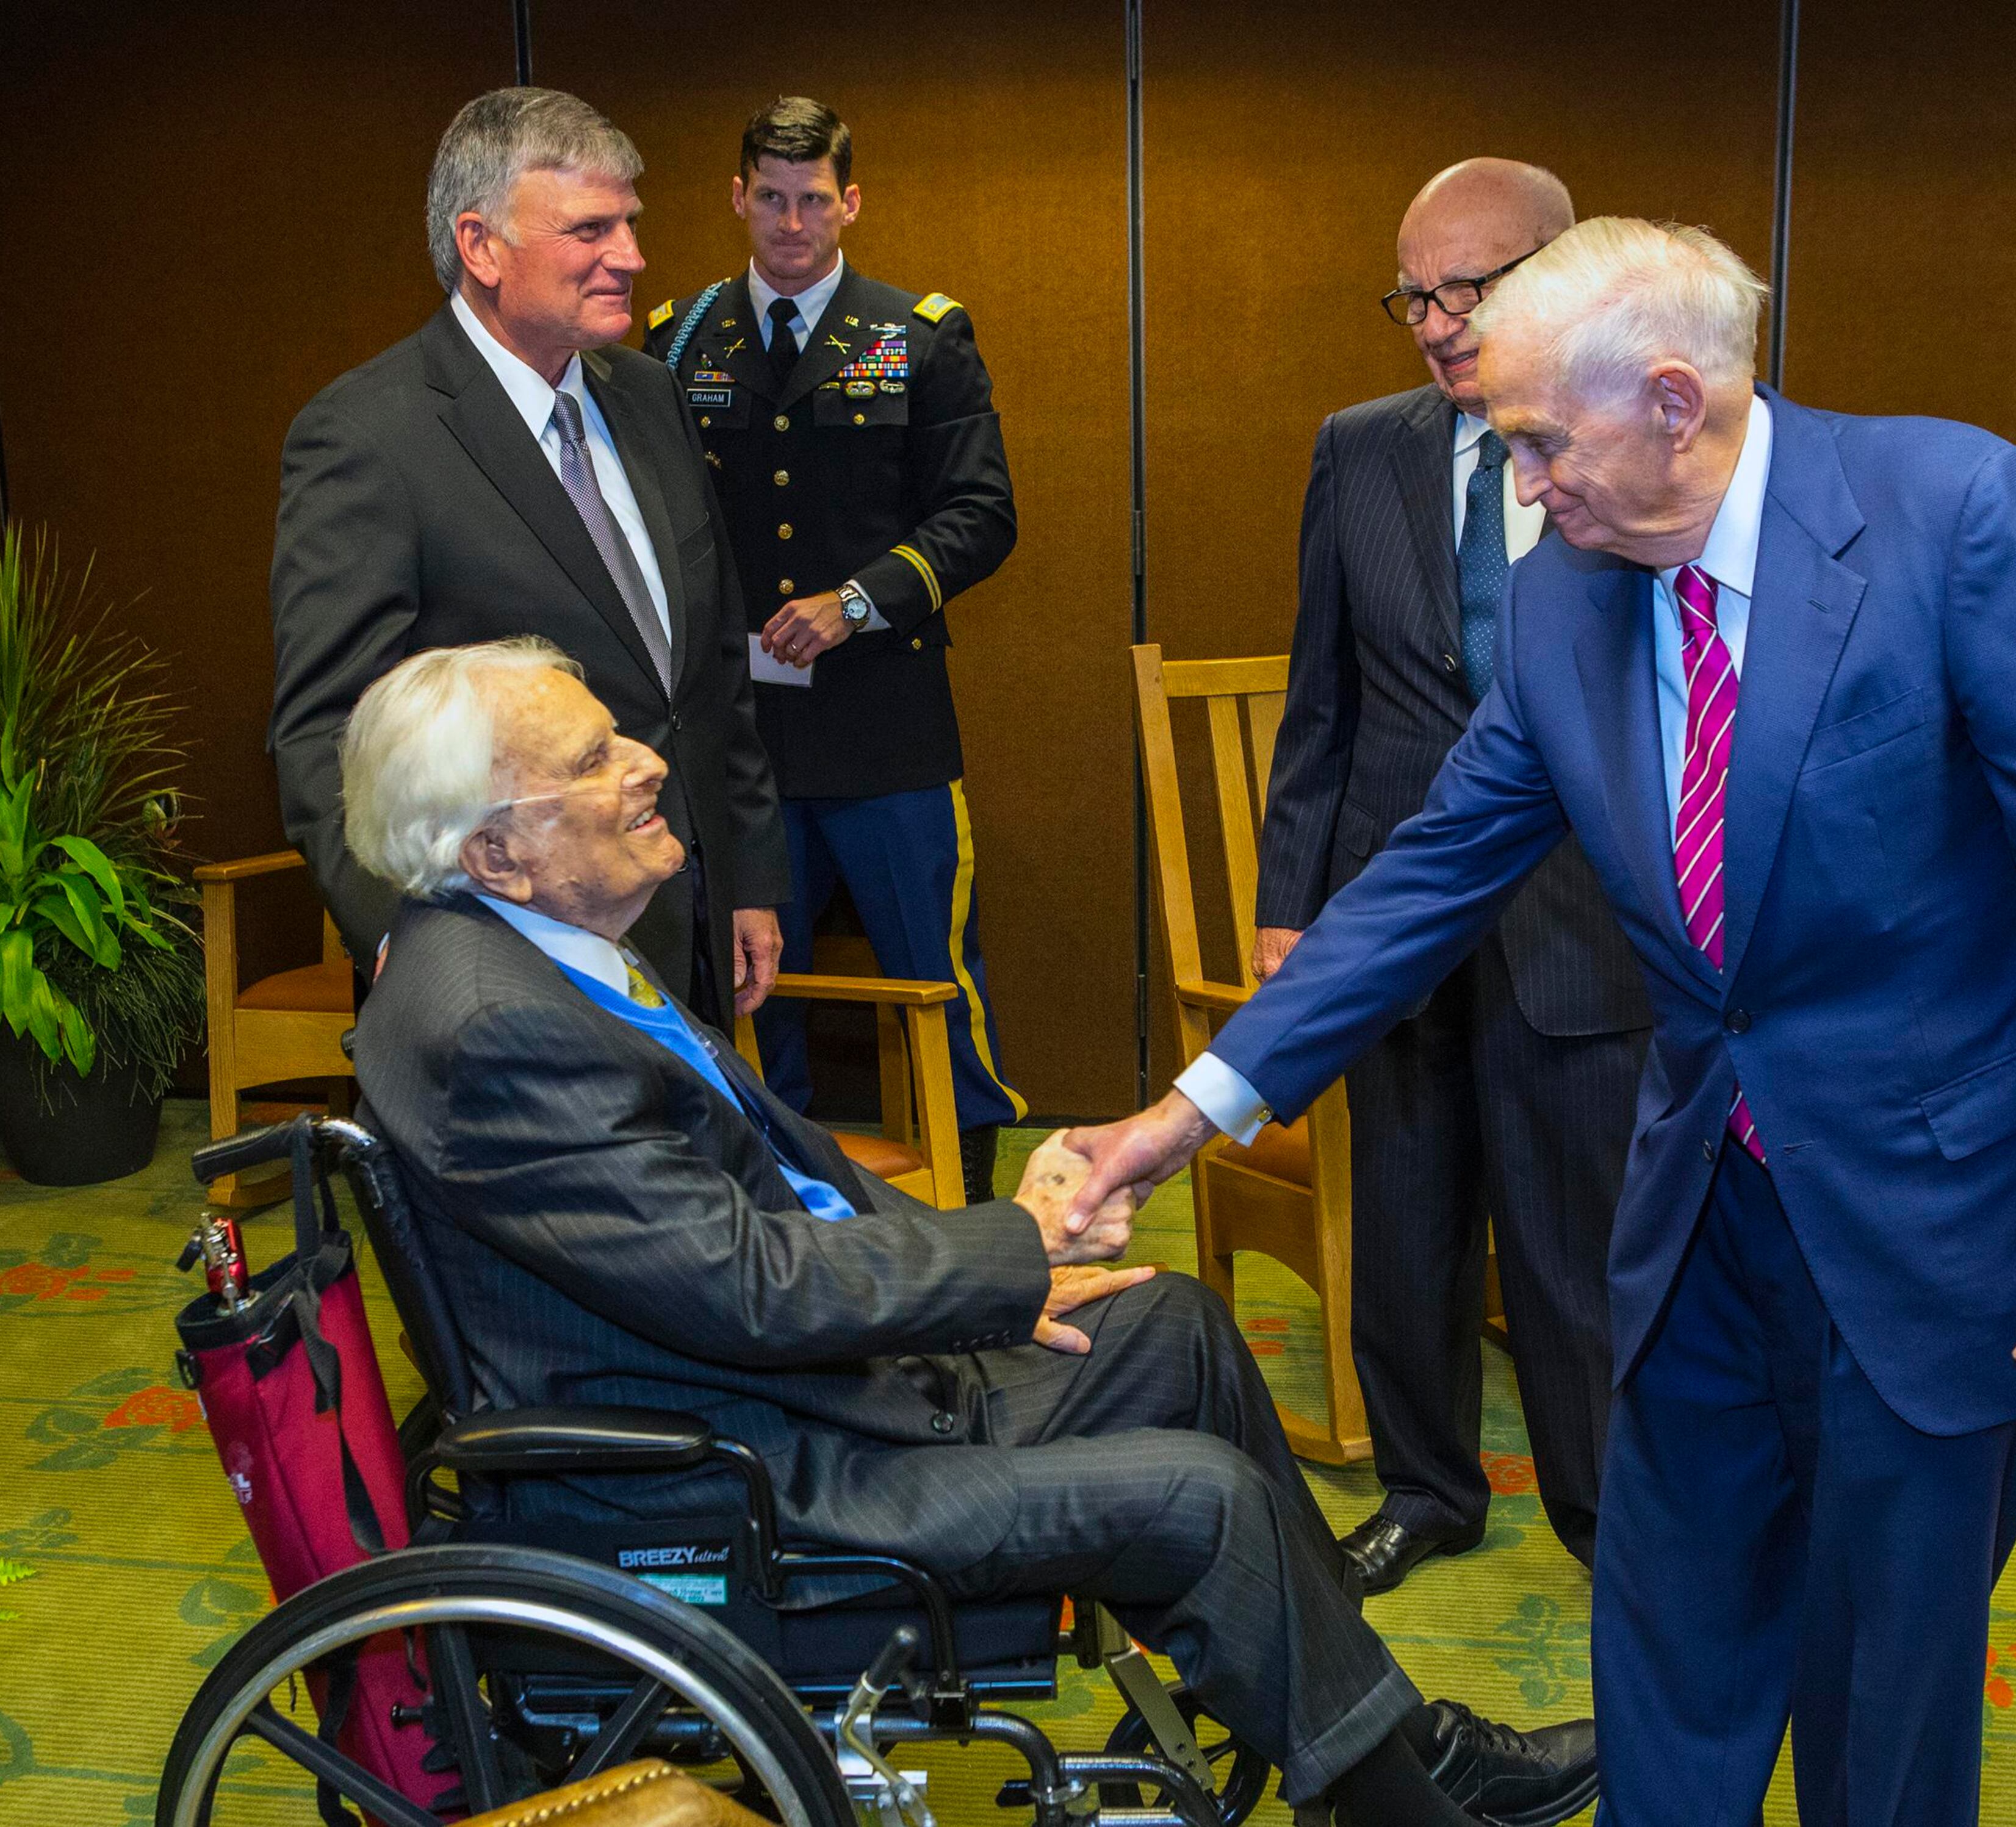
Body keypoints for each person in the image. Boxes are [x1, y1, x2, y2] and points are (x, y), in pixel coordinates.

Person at [1067, 218, 2016, 1825]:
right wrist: (1183, 1112)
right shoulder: (1561, 601)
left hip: (1945, 1218)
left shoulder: (1957, 513)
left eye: (1537, 441)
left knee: (1884, 1686)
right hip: (1702, 1209)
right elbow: (1423, 879)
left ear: (1674, 397)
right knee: (1669, 1640)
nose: (1523, 487)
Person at [340, 637, 1600, 1827]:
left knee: (1173, 1329)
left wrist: (994, 1257)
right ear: (498, 852)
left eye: (621, 734)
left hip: (797, 1387)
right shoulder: (499, 1029)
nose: (645, 761)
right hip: (751, 1466)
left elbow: (789, 1186)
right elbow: (749, 1284)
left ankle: (1376, 1737)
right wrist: (1014, 1249)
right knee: (1201, 1500)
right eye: (593, 761)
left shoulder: (538, 950)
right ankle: (1407, 1801)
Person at [1259, 158, 1647, 1588]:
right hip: (1392, 905)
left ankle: (1603, 1507)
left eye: (1466, 287)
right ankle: (1427, 1486)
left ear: (1562, 271)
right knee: (1408, 1220)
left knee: (1571, 1243)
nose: (1434, 321)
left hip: (1581, 917)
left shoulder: (1627, 452)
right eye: (1412, 292)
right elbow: (1324, 700)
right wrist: (1289, 906)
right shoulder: (1360, 448)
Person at [270, 86, 786, 1024]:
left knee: (694, 1163)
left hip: (681, 906)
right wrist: (397, 935)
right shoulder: (368, 437)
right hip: (503, 952)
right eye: (590, 231)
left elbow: (708, 670)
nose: (630, 257)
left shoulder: (649, 395)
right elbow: (327, 729)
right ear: (481, 247)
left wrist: (746, 872)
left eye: (629, 223)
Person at [643, 96, 1023, 1202]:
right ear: (738, 197)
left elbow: (981, 514)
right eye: (771, 197)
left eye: (814, 200)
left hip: (886, 733)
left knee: (935, 986)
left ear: (849, 202)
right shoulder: (679, 336)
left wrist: (855, 602)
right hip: (740, 747)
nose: (792, 222)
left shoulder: (920, 335)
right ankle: (779, 1227)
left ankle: (969, 1222)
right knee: (757, 998)